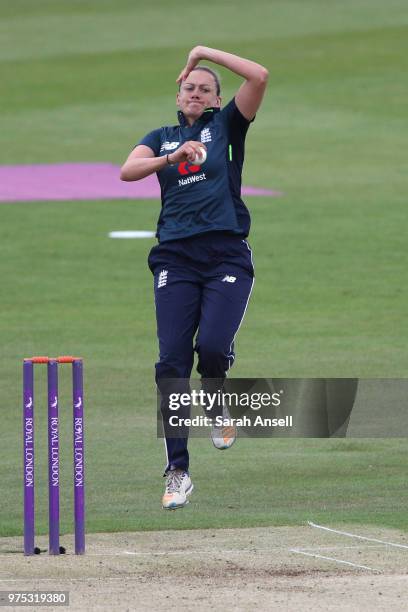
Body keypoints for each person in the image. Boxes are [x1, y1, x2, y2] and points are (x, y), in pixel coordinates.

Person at [121, 46, 268, 509]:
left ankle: (217, 398)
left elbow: (259, 76)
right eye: (190, 88)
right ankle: (178, 471)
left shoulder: (225, 125)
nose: (196, 93)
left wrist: (204, 53)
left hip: (225, 254)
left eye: (206, 89)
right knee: (171, 364)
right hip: (174, 259)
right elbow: (127, 171)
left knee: (211, 348)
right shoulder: (160, 136)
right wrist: (170, 158)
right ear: (179, 93)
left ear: (215, 98)